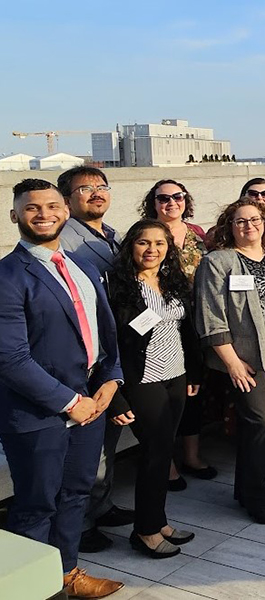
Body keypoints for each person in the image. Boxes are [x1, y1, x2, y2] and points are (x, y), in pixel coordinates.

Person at [0, 179, 124, 597]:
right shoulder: (7, 276)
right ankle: (33, 590)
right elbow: (11, 359)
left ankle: (67, 574)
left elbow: (106, 336)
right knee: (36, 504)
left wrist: (111, 380)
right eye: (31, 208)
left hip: (91, 405)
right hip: (39, 414)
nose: (44, 214)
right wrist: (71, 402)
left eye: (52, 205)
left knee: (76, 494)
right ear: (14, 215)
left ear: (66, 210)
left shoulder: (83, 268)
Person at [194, 198, 265, 524]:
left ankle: (244, 489)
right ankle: (257, 497)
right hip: (244, 361)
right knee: (260, 423)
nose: (249, 226)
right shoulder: (218, 262)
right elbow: (210, 317)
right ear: (230, 226)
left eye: (255, 219)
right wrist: (231, 362)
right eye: (240, 221)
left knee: (254, 425)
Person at [105, 220, 203, 559]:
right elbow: (112, 345)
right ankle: (144, 531)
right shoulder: (120, 287)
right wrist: (116, 394)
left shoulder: (172, 281)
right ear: (131, 246)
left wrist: (193, 372)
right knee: (154, 454)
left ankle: (158, 521)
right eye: (143, 243)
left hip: (176, 375)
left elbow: (186, 330)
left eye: (159, 243)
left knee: (164, 452)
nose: (151, 250)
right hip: (142, 380)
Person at [56, 166, 133, 554]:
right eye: (84, 189)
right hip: (87, 359)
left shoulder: (114, 235)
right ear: (66, 199)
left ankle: (100, 507)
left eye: (101, 187)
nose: (96, 194)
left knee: (107, 441)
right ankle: (80, 523)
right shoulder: (65, 240)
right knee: (86, 449)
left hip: (113, 355)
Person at [139, 179, 216, 493]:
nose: (171, 202)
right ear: (153, 202)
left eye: (177, 196)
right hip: (161, 325)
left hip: (197, 322)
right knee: (165, 398)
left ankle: (192, 456)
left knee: (193, 392)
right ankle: (167, 464)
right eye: (163, 198)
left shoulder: (198, 234)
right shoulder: (146, 234)